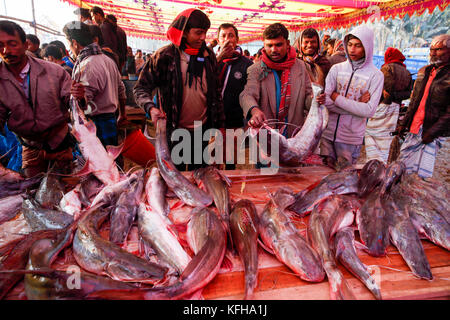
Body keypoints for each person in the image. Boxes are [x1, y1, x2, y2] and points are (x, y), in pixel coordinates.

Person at [133, 8, 224, 171]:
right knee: (177, 178)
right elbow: (140, 88)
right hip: (174, 132)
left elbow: (216, 94)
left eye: (205, 33)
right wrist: (150, 108)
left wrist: (219, 128)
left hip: (201, 131)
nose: (203, 38)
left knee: (201, 176)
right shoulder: (164, 57)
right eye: (198, 33)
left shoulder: (208, 56)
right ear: (184, 32)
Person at [0, 20, 74, 177]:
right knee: (31, 191)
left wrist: (80, 98)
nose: (6, 50)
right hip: (30, 146)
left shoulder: (54, 71)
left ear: (25, 45)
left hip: (59, 141)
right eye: (1, 45)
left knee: (67, 189)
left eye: (12, 44)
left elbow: (74, 103)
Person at [240, 23, 323, 139]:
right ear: (264, 45)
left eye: (278, 45)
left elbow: (307, 96)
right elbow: (247, 94)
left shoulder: (301, 67)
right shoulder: (256, 69)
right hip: (266, 135)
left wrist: (316, 100)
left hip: (294, 134)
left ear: (287, 43)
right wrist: (254, 110)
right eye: (269, 45)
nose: (274, 50)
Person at [320, 25, 384, 166]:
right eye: (349, 45)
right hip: (327, 133)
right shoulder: (336, 69)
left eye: (358, 46)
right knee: (322, 174)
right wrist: (357, 105)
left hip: (350, 138)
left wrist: (338, 98)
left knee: (345, 177)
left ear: (367, 47)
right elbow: (326, 102)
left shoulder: (376, 75)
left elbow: (369, 111)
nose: (352, 49)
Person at [63, 21, 127, 148]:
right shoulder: (108, 60)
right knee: (110, 158)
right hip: (109, 119)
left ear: (75, 43)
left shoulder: (87, 65)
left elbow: (83, 103)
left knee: (100, 163)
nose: (70, 47)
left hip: (96, 123)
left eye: (69, 43)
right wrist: (122, 114)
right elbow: (121, 90)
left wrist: (79, 98)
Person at [397, 34, 450, 180]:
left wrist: (431, 133)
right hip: (414, 127)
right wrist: (404, 123)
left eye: (438, 49)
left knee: (419, 176)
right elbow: (414, 101)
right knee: (401, 169)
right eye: (432, 49)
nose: (433, 53)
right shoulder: (425, 71)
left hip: (431, 132)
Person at [365, 47, 412, 164]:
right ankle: (383, 163)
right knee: (386, 139)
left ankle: (373, 164)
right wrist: (396, 97)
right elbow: (408, 93)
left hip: (383, 106)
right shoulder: (406, 72)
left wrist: (387, 96)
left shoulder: (387, 68)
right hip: (395, 108)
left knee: (370, 133)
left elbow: (387, 90)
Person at [215, 23, 253, 169]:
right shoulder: (211, 61)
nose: (227, 39)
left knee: (230, 161)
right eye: (223, 36)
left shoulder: (246, 64)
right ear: (218, 40)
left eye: (231, 35)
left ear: (237, 39)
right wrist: (219, 58)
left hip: (234, 120)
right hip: (213, 121)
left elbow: (249, 92)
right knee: (212, 161)